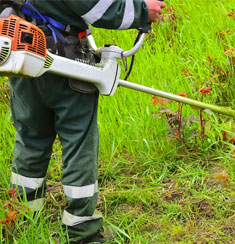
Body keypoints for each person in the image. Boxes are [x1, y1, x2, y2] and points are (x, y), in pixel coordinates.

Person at [0, 0, 165, 243]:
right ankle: (81, 230)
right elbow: (100, 8)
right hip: (64, 61)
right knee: (79, 143)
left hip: (22, 56)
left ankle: (23, 217)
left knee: (30, 140)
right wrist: (143, 10)